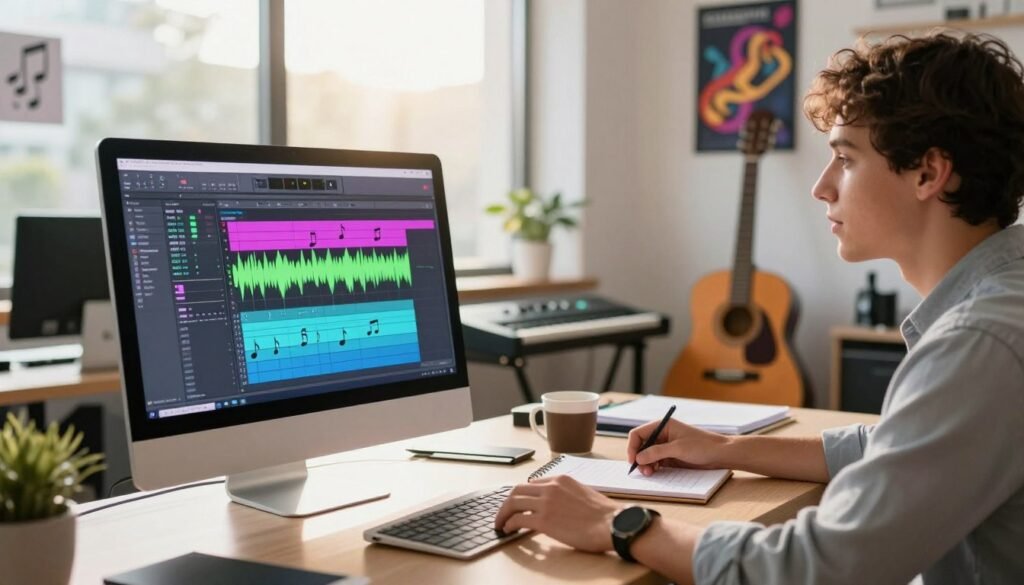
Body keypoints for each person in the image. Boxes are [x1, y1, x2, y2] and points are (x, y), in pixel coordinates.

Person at [494, 31, 1024, 585]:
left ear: (927, 173)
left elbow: (819, 568)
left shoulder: (978, 342)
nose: (822, 187)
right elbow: (899, 446)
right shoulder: (1000, 305)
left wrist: (619, 523)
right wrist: (725, 447)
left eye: (845, 158)